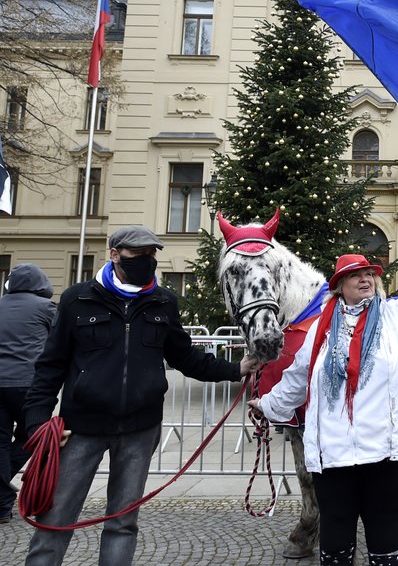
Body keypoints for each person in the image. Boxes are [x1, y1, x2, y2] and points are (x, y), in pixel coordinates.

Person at [21, 225, 259, 566]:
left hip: (140, 430)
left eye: (151, 255)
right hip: (80, 431)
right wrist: (37, 424)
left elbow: (184, 356)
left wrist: (235, 369)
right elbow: (50, 366)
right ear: (114, 255)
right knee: (55, 519)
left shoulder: (163, 301)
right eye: (137, 255)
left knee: (123, 522)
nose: (146, 261)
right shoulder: (78, 298)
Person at [249, 237, 398, 566]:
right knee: (335, 539)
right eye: (355, 275)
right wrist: (269, 406)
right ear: (339, 286)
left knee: (385, 538)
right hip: (334, 455)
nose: (365, 279)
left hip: (386, 453)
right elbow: (296, 378)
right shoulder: (321, 329)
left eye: (370, 274)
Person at [0, 265, 58, 524]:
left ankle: (1, 504)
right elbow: (60, 341)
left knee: (0, 443)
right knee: (33, 436)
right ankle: (14, 494)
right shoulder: (46, 308)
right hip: (29, 384)